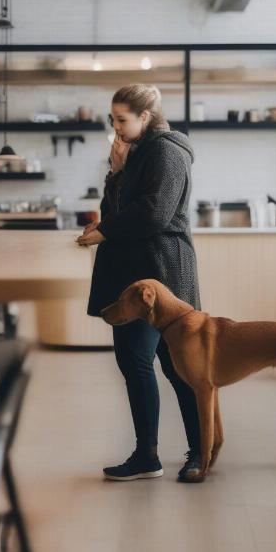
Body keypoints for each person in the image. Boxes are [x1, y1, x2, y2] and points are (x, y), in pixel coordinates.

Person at [77, 84, 203, 482]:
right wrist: (116, 173)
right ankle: (147, 454)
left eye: (121, 119)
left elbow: (155, 213)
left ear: (145, 117)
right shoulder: (132, 151)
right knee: (135, 362)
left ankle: (201, 450)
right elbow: (113, 209)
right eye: (112, 119)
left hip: (164, 272)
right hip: (134, 271)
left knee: (178, 365)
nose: (115, 127)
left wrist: (104, 232)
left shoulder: (166, 150)